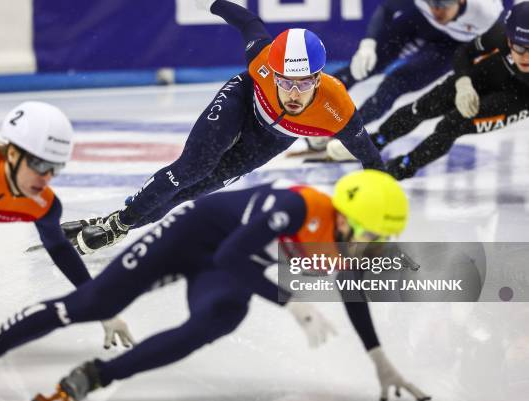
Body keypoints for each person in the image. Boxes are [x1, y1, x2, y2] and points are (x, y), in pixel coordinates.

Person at [0, 170, 430, 401]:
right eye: (372, 234)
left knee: (217, 320)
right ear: (347, 217)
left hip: (224, 264)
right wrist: (289, 300)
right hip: (191, 238)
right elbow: (231, 253)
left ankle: (95, 376)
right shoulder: (298, 208)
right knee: (92, 303)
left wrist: (379, 357)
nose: (374, 244)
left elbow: (353, 291)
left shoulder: (345, 239)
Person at [61, 0, 386, 255]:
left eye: (304, 84)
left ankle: (116, 221)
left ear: (319, 78)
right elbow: (248, 23)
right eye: (285, 82)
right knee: (193, 168)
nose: (293, 94)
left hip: (271, 140)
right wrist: (212, 2)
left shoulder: (338, 109)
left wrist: (376, 212)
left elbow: (372, 161)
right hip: (243, 100)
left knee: (187, 193)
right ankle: (119, 223)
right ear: (272, 73)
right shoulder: (262, 58)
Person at [0, 101, 132, 345]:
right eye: (39, 164)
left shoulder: (43, 204)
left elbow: (60, 249)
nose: (46, 177)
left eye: (55, 168)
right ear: (12, 153)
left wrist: (99, 304)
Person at [301, 0, 504, 159]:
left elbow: (501, 48)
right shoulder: (429, 8)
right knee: (359, 68)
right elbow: (387, 8)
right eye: (431, 2)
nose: (436, 10)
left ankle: (344, 131)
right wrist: (368, 44)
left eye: (442, 4)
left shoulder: (486, 12)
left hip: (451, 46)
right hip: (418, 22)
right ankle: (307, 111)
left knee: (394, 85)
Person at [371, 2, 529, 180]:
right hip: (490, 73)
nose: (526, 57)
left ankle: (405, 165)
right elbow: (464, 52)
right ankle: (377, 140)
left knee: (452, 125)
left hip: (521, 96)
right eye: (520, 47)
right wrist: (463, 82)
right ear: (508, 39)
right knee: (424, 107)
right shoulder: (500, 33)